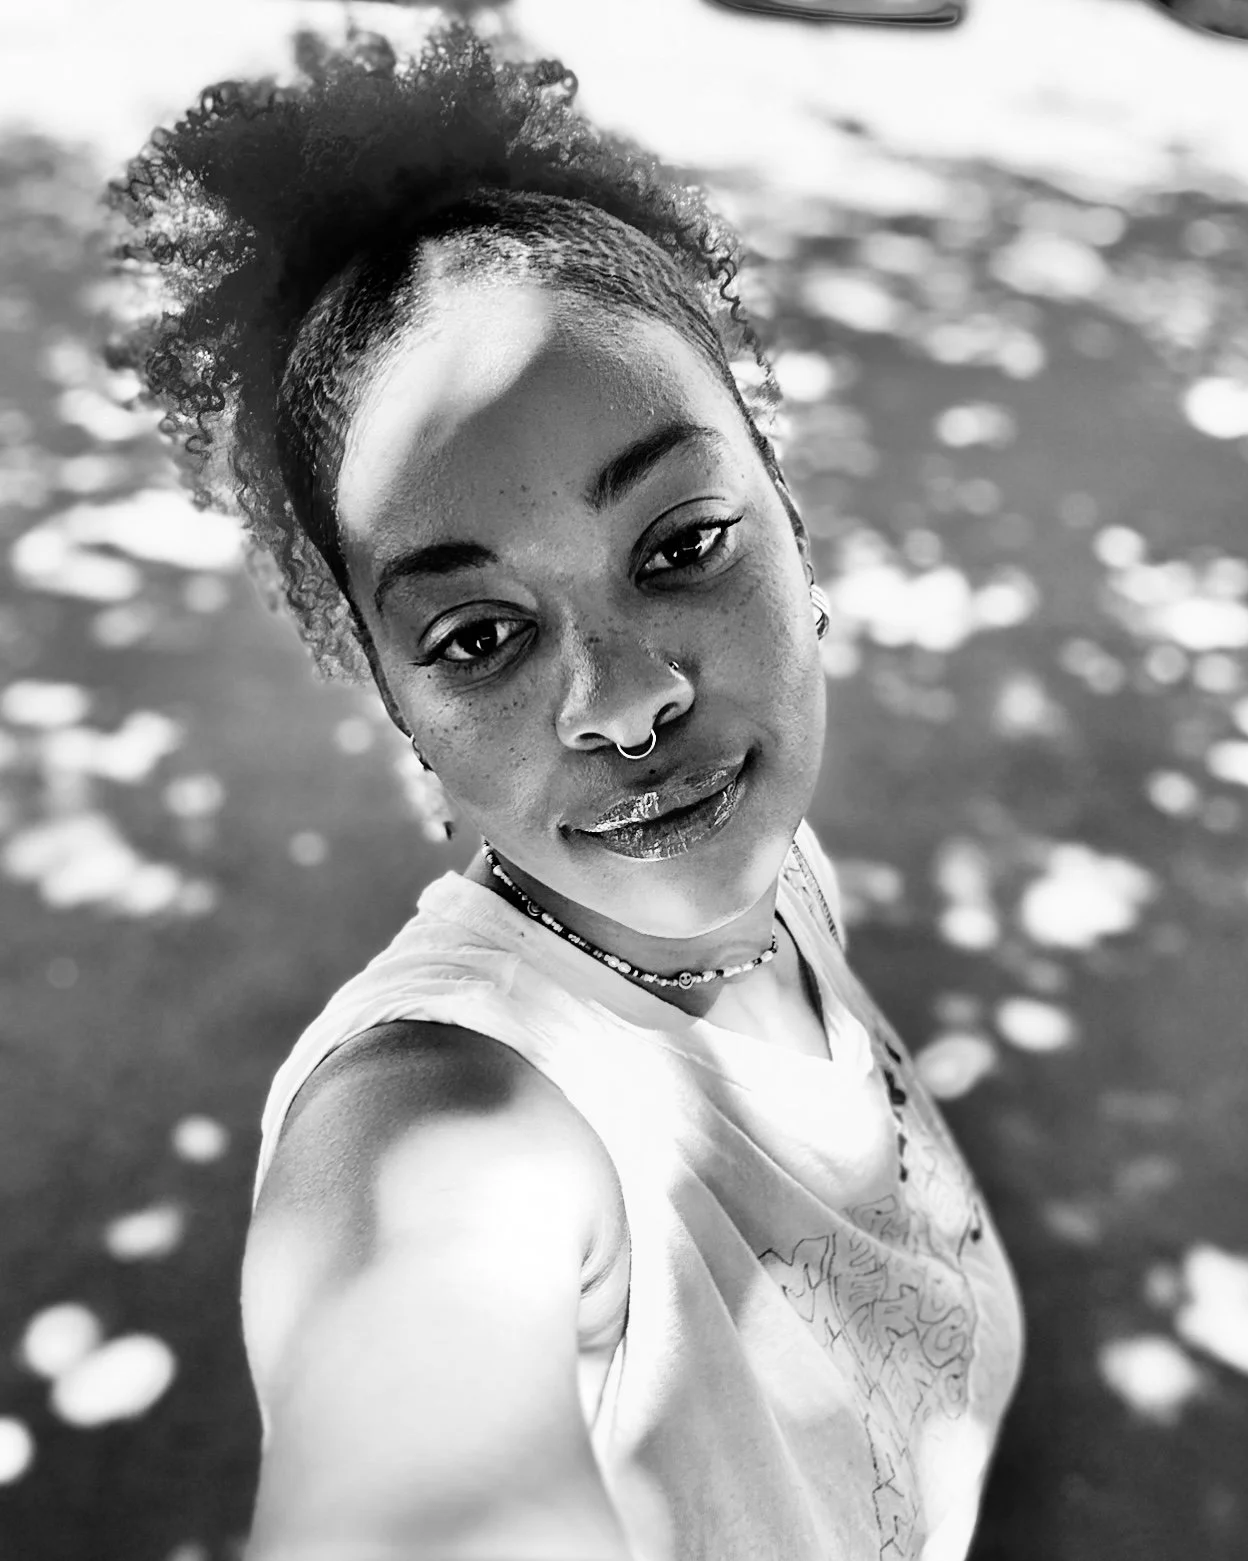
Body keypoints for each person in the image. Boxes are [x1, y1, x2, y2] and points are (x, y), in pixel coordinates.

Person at [106, 22, 1024, 1561]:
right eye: (477, 638)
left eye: (679, 547)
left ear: (796, 533)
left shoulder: (778, 882)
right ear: (400, 709)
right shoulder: (443, 1126)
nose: (625, 700)